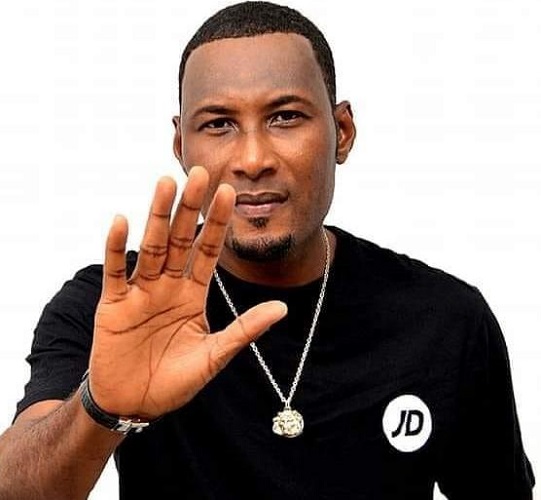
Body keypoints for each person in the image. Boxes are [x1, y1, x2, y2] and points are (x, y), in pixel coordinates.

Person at [0, 1, 535, 498]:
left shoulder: (445, 319)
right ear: (181, 146)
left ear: (342, 131)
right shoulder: (113, 304)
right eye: (219, 124)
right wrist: (100, 408)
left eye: (285, 117)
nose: (253, 159)